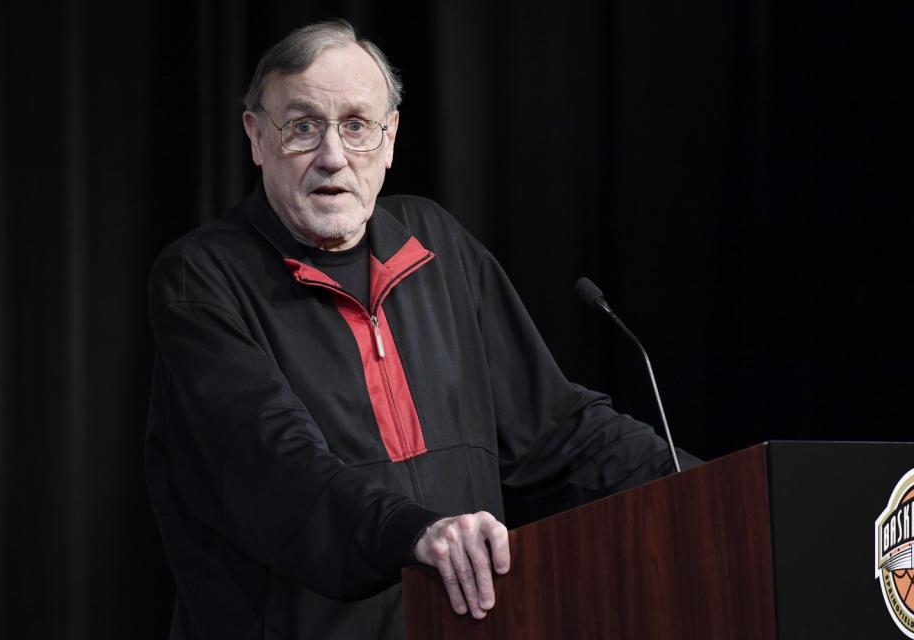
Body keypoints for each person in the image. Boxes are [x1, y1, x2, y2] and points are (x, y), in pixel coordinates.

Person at [146, 18, 696, 639]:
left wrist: (712, 489)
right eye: (302, 127)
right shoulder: (203, 278)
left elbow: (558, 434)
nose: (332, 155)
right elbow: (275, 470)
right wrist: (415, 532)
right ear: (256, 138)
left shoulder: (434, 245)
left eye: (356, 126)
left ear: (390, 138)